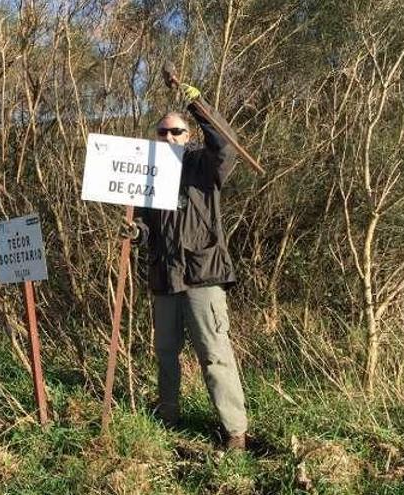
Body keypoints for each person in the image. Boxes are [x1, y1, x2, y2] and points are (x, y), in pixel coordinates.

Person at [124, 83, 248, 450]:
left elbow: (227, 143)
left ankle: (235, 432)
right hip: (166, 279)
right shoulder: (148, 174)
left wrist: (198, 104)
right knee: (165, 353)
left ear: (188, 134)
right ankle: (168, 415)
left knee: (214, 355)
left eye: (176, 130)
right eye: (162, 131)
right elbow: (148, 225)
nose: (169, 136)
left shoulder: (205, 165)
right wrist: (135, 232)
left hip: (202, 276)